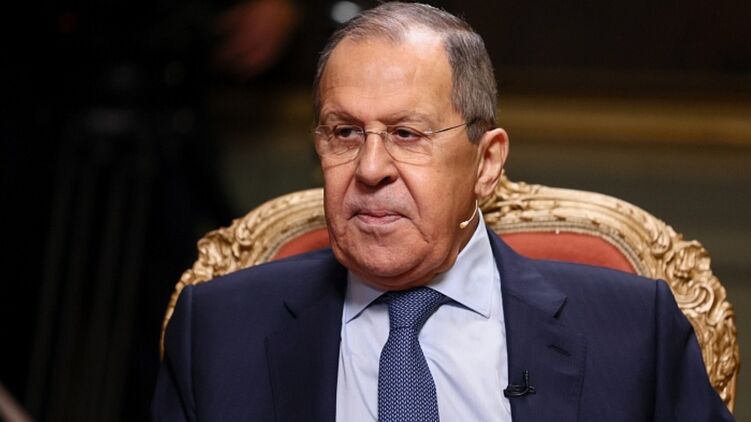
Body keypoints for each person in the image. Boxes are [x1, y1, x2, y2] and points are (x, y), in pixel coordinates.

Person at [151, 2, 734, 421]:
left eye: (407, 134)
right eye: (345, 132)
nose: (370, 168)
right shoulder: (219, 330)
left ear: (486, 162)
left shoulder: (632, 330)